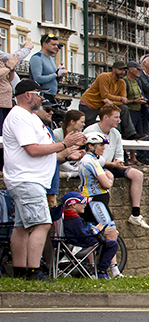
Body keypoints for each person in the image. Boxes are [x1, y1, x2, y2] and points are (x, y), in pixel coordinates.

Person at [2, 80, 86, 279]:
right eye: (39, 93)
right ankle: (33, 271)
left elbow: (46, 153)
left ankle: (20, 270)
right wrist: (63, 143)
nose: (42, 97)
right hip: (27, 180)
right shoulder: (19, 117)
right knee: (42, 224)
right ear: (27, 95)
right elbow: (32, 149)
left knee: (22, 227)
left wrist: (67, 152)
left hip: (31, 179)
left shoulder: (31, 118)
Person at [83, 104, 149, 228]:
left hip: (112, 165)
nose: (119, 120)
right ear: (105, 117)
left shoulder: (116, 133)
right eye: (116, 117)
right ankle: (104, 216)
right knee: (109, 177)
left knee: (137, 174)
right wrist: (111, 164)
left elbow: (119, 154)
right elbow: (89, 157)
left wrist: (119, 162)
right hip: (96, 166)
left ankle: (135, 214)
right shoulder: (90, 131)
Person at [60, 192, 121, 279]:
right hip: (79, 246)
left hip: (72, 244)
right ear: (73, 205)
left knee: (106, 243)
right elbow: (83, 237)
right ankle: (101, 271)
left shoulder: (66, 216)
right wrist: (96, 231)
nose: (85, 205)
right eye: (83, 203)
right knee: (112, 245)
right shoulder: (74, 219)